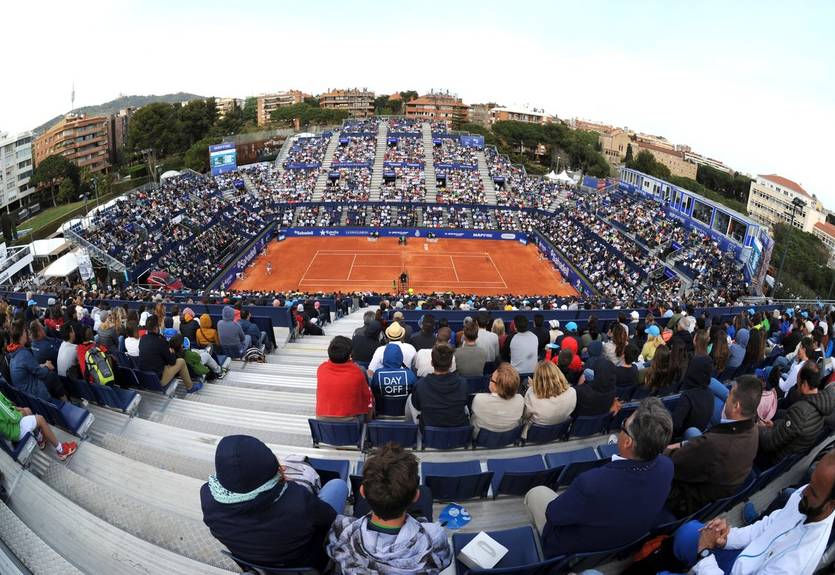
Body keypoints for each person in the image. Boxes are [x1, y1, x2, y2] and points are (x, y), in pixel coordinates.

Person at [525, 398, 674, 558]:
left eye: (623, 424)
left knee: (536, 493)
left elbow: (553, 514)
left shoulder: (592, 483)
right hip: (618, 544)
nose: (620, 428)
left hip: (574, 549)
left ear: (628, 442)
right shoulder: (667, 466)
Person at [663, 449, 835, 575]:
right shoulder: (807, 495)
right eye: (810, 483)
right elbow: (765, 526)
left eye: (813, 492)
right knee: (689, 531)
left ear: (831, 505)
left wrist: (705, 554)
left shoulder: (797, 564)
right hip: (741, 556)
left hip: (730, 567)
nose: (803, 492)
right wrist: (725, 538)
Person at [201, 435, 347, 571]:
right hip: (309, 563)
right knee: (337, 485)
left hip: (259, 568)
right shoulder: (298, 500)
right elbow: (330, 520)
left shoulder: (207, 498)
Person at [327, 444, 452, 574]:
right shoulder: (434, 537)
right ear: (416, 496)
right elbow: (443, 562)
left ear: (362, 492)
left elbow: (332, 552)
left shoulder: (341, 529)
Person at [664, 376, 762, 518]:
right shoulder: (753, 430)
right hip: (715, 481)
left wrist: (667, 450)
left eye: (729, 394)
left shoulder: (714, 445)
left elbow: (670, 464)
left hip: (685, 499)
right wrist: (682, 444)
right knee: (692, 432)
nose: (726, 397)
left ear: (736, 406)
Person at [758, 362, 834, 466]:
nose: (796, 387)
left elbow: (770, 443)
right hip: (789, 455)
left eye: (797, 383)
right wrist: (774, 425)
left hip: (776, 460)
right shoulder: (821, 406)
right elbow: (791, 429)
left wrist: (759, 429)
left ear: (805, 385)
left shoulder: (801, 411)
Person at [0, 390, 77, 460]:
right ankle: (61, 450)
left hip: (11, 427)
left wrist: (18, 408)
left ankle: (40, 440)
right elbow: (14, 418)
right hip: (14, 431)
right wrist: (22, 412)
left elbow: (7, 405)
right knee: (40, 419)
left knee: (27, 410)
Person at [407, 344, 468, 429]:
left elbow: (417, 407)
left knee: (410, 398)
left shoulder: (420, 385)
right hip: (457, 434)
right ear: (451, 364)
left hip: (429, 433)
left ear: (432, 363)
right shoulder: (463, 383)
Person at [7, 320, 67, 401]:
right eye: (25, 331)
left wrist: (44, 365)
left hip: (24, 391)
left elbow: (29, 368)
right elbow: (42, 373)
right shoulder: (23, 353)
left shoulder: (14, 352)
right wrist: (47, 367)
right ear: (21, 335)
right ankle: (66, 402)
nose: (28, 333)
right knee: (52, 375)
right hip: (31, 393)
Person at [138, 316, 201, 393]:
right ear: (156, 328)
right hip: (158, 380)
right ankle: (190, 388)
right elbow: (172, 362)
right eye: (159, 325)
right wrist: (172, 353)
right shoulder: (161, 342)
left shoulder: (143, 339)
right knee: (181, 361)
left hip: (145, 378)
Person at [316, 336, 373, 419]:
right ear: (350, 355)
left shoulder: (321, 369)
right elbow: (367, 398)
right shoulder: (358, 371)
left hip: (322, 423)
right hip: (349, 423)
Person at [523, 360, 576, 437]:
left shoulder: (532, 395)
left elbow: (525, 416)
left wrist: (532, 388)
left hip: (535, 434)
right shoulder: (572, 392)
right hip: (559, 432)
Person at [470, 362, 525, 436]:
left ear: (498, 386)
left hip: (482, 438)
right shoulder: (520, 400)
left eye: (491, 379)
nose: (489, 380)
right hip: (509, 437)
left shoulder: (479, 399)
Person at [671, 353, 715, 438]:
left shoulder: (688, 396)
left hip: (684, 439)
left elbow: (675, 425)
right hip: (698, 436)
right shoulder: (710, 393)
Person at [369, 344, 417, 417]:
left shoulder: (377, 374)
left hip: (382, 415)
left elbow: (373, 393)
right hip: (404, 416)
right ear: (400, 357)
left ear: (385, 357)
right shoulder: (409, 374)